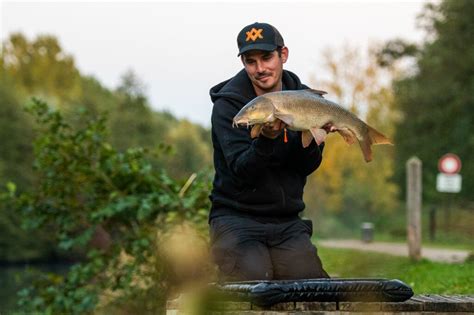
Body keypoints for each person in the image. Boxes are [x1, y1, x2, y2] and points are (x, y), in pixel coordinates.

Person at [208, 22, 330, 281]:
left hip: (286, 221)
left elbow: (306, 166)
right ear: (243, 62)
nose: (260, 69)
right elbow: (243, 172)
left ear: (283, 55)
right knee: (254, 278)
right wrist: (266, 140)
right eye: (250, 61)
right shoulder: (228, 108)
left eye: (266, 58)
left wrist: (314, 137)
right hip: (236, 219)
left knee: (310, 284)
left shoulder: (306, 101)